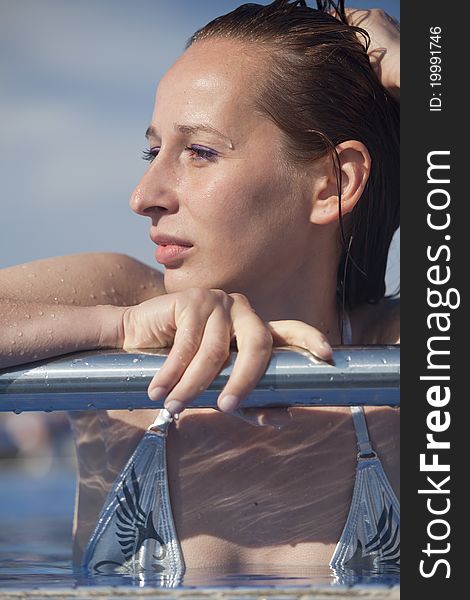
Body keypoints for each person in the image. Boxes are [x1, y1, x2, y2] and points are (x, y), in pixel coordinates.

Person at [0, 0, 399, 574]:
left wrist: (429, 63)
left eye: (200, 151)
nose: (144, 195)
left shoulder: (404, 349)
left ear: (333, 182)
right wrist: (119, 328)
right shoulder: (120, 302)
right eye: (153, 149)